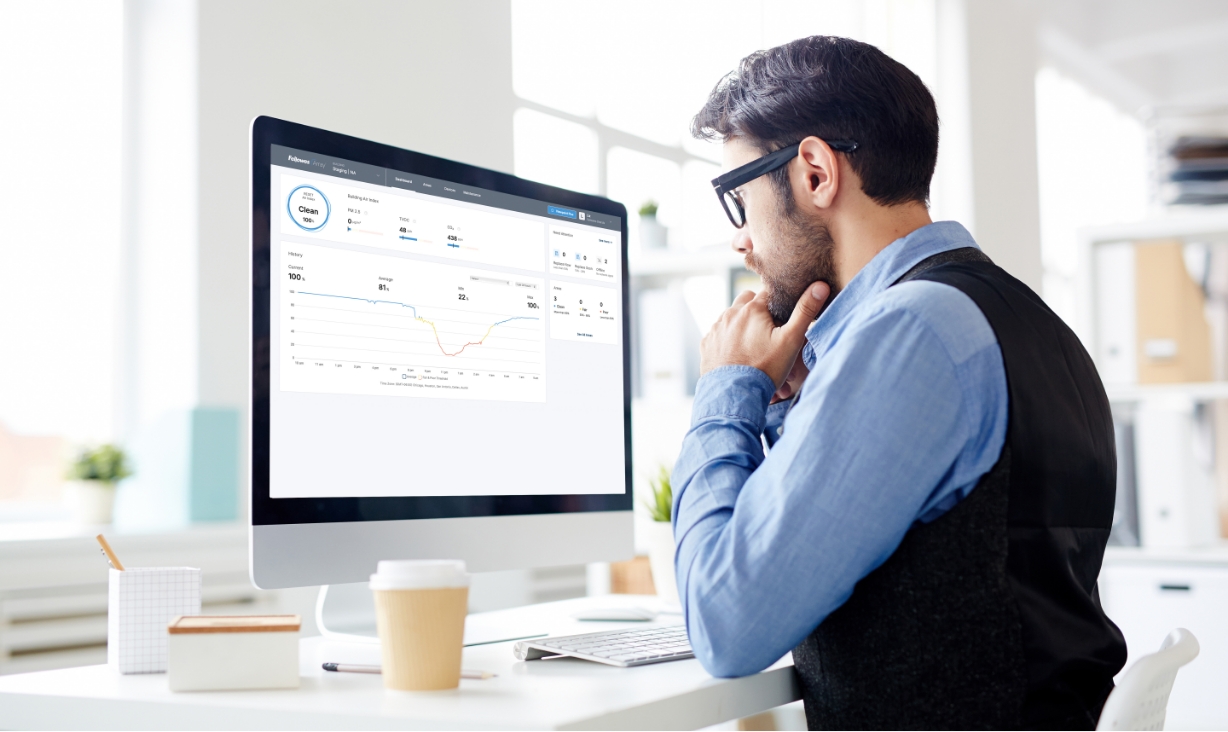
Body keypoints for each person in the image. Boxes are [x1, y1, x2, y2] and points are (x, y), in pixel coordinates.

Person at [671, 35, 1127, 730]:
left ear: (816, 172)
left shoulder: (911, 332)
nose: (740, 239)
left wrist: (728, 389)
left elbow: (725, 626)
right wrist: (791, 405)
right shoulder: (1016, 318)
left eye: (739, 197)